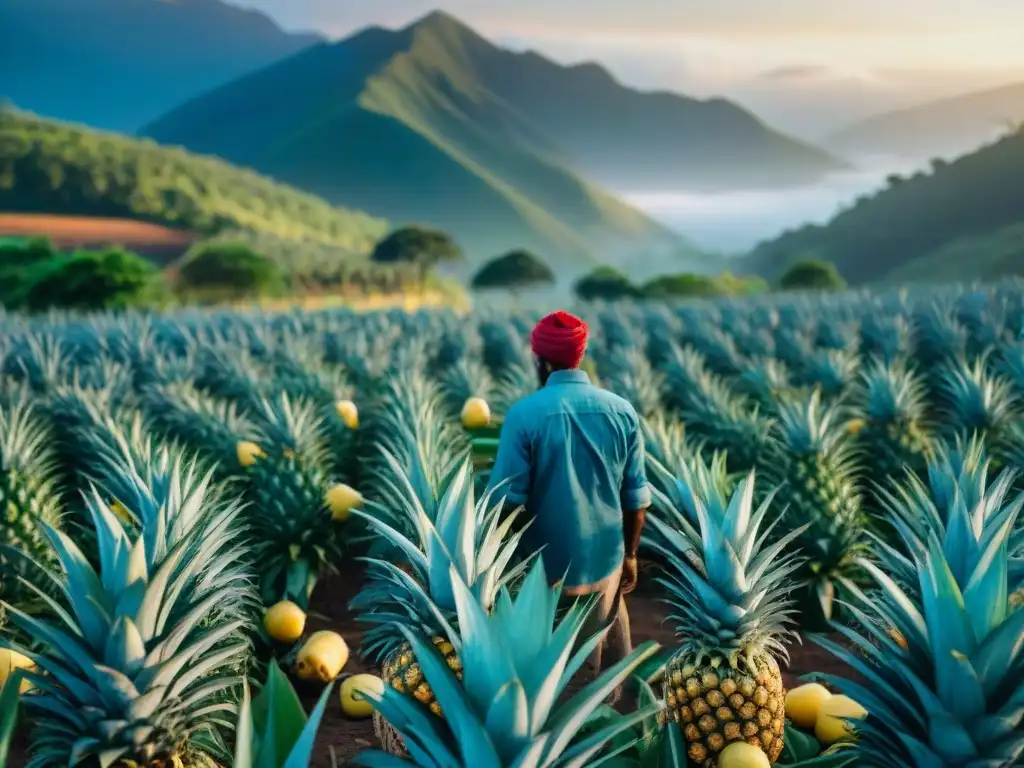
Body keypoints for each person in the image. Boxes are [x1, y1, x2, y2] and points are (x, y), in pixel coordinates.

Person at [487, 309, 651, 693]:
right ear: (579, 355)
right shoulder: (621, 411)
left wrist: (491, 561)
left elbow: (508, 501)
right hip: (606, 559)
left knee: (552, 682)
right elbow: (636, 498)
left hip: (544, 571)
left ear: (541, 361)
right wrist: (630, 554)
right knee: (605, 662)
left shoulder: (524, 415)